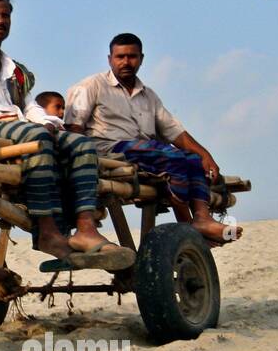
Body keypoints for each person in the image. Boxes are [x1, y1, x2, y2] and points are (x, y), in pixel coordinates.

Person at [0, 0, 124, 260]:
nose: (0, 20)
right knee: (35, 137)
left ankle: (85, 227)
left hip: (15, 125)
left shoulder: (12, 67)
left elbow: (28, 105)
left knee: (81, 143)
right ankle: (48, 232)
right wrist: (29, 123)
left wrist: (47, 122)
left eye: (5, 15)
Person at [64, 33, 242, 243]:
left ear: (141, 58)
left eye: (132, 56)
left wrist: (205, 155)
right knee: (171, 157)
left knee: (192, 159)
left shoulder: (148, 95)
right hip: (109, 149)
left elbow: (173, 131)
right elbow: (73, 129)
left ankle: (202, 218)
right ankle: (188, 226)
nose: (126, 62)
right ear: (110, 59)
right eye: (120, 57)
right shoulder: (91, 86)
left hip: (147, 150)